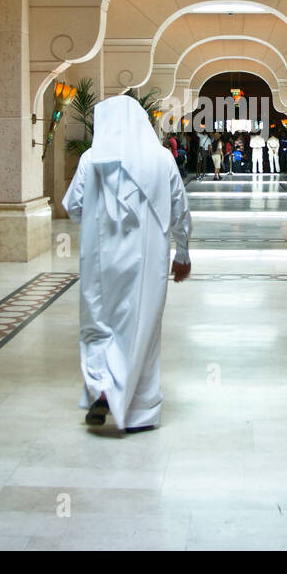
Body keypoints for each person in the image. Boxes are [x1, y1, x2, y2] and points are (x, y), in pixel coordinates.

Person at [62, 96, 192, 433]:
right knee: (143, 328)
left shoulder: (92, 160)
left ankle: (101, 388)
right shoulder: (162, 159)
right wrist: (182, 254)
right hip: (148, 262)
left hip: (100, 261)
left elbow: (73, 207)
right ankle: (140, 410)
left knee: (99, 323)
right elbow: (180, 209)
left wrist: (98, 216)